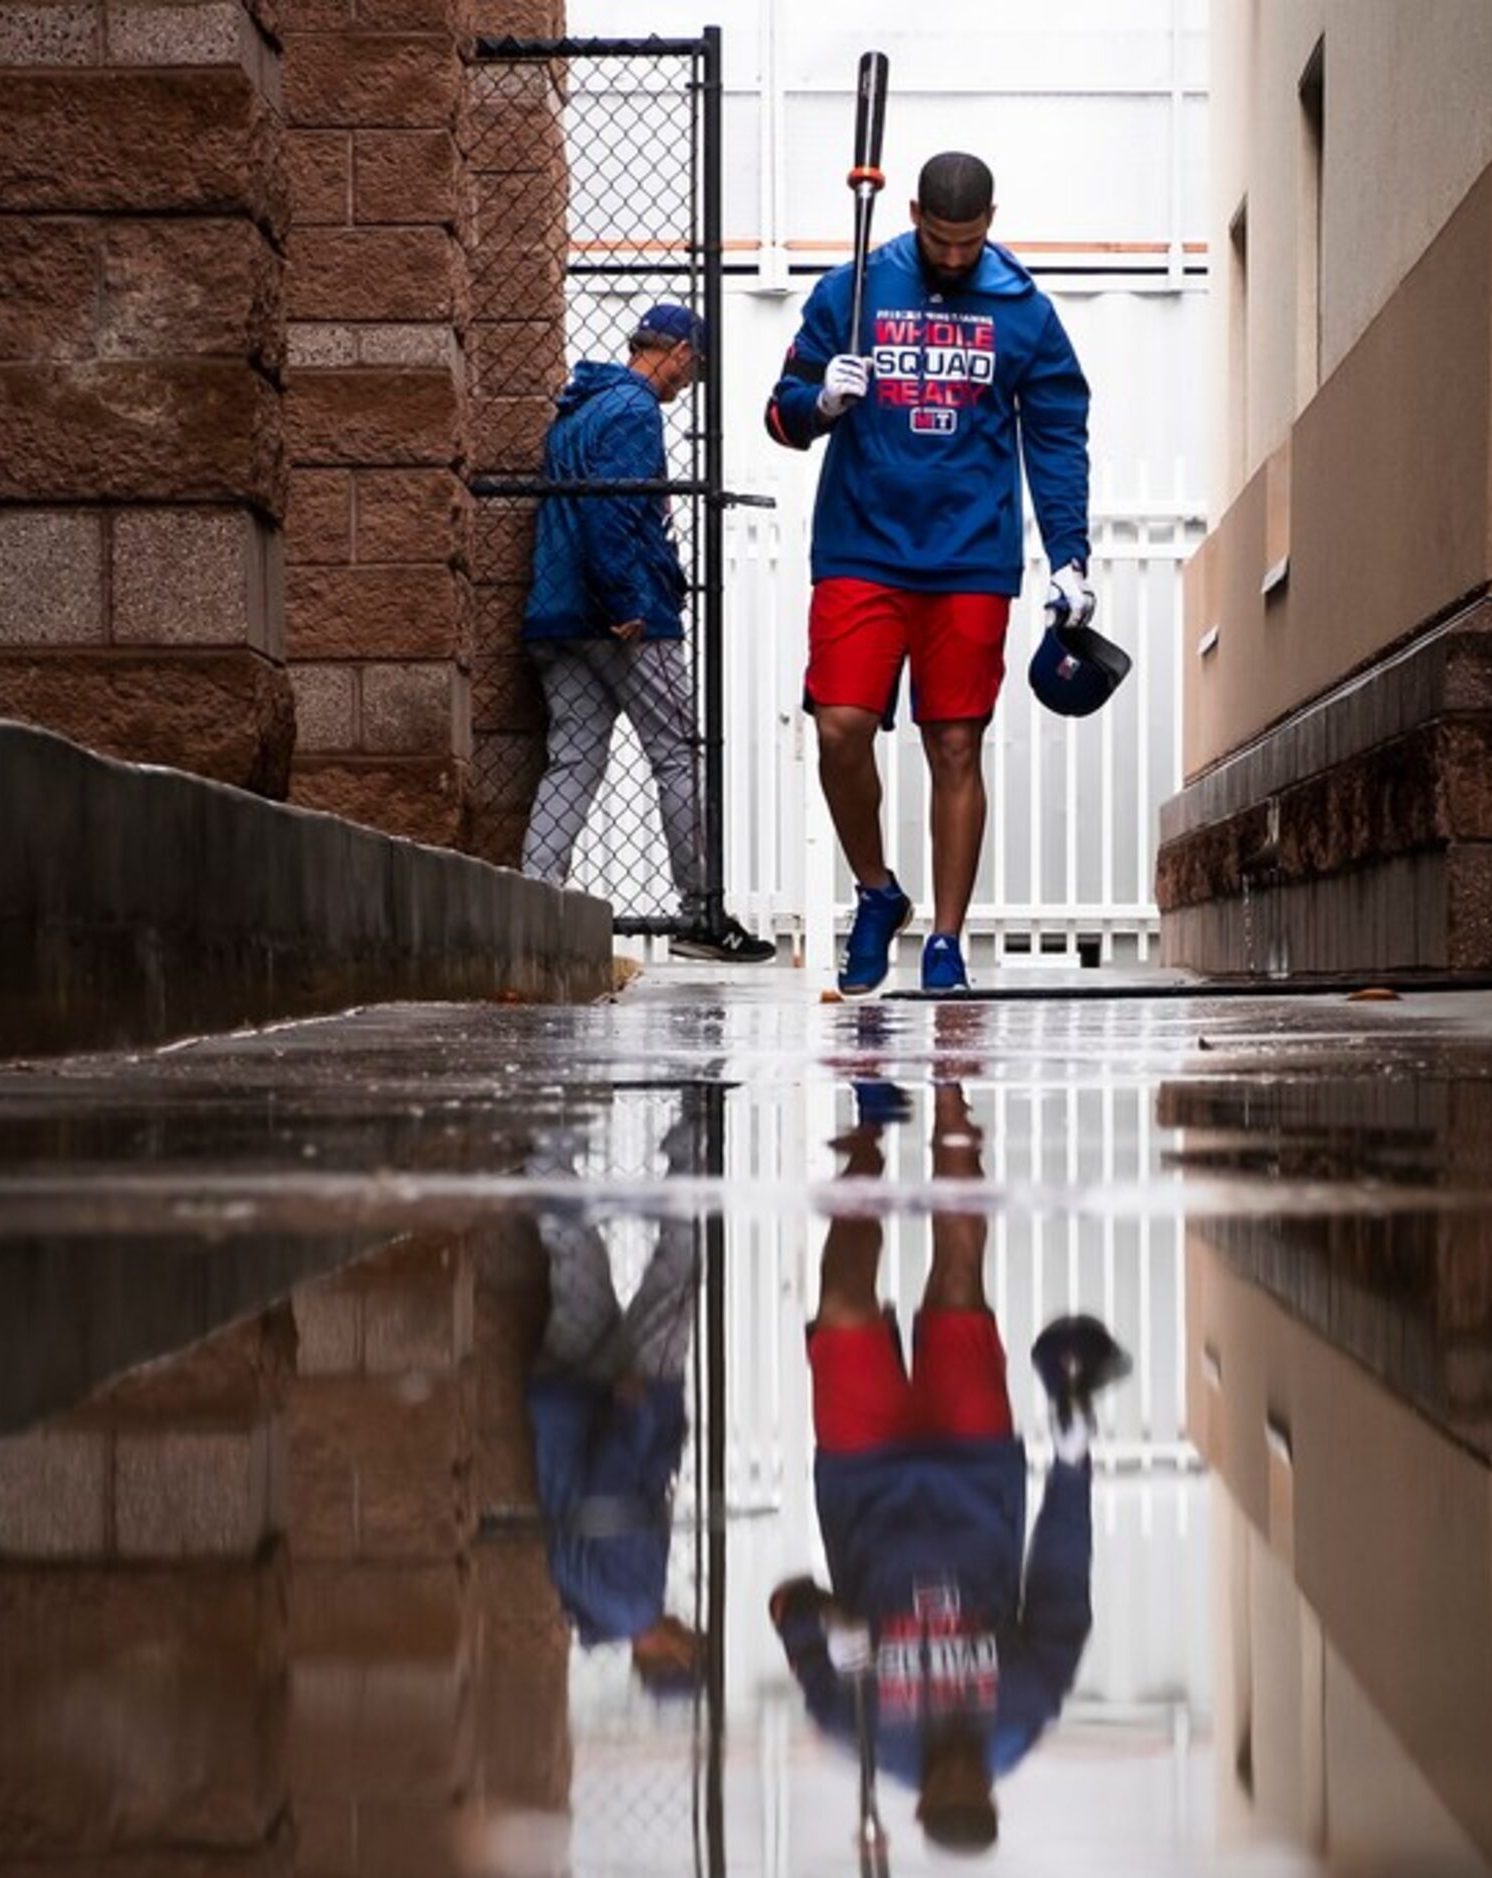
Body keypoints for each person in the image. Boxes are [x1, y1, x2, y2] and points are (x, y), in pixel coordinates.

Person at [768, 1080, 1131, 1855]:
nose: (960, 1766)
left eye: (946, 1783)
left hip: (862, 1477)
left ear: (923, 1800)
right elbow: (1063, 1582)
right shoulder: (1027, 1709)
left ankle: (866, 1143)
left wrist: (827, 1624)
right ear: (993, 1792)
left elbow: (784, 1608)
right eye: (976, 1779)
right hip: (975, 1470)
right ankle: (950, 1097)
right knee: (961, 1280)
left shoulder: (856, 1728)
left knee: (840, 1301)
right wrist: (1072, 1462)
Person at [765, 152, 1095, 995]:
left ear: (991, 221)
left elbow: (1056, 438)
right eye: (940, 240)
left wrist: (1070, 555)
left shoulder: (1024, 312)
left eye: (970, 241)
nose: (954, 257)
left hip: (969, 558)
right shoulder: (851, 293)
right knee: (839, 726)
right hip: (862, 548)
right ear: (912, 213)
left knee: (955, 743)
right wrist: (820, 403)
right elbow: (781, 412)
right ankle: (877, 892)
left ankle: (946, 942)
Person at [525, 302, 774, 964]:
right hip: (625, 622)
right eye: (691, 371)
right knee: (679, 753)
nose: (686, 385)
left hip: (558, 615)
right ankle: (701, 915)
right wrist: (628, 600)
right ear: (681, 354)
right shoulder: (634, 410)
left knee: (574, 758)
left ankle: (532, 907)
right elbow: (614, 512)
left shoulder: (579, 409)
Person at [523, 1110, 709, 1702]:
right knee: (575, 1262)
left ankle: (689, 1148)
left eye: (696, 1647)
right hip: (561, 1405)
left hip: (621, 1404)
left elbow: (612, 1501)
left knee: (679, 1275)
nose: (697, 1634)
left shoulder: (634, 1599)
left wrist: (632, 1419)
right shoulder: (590, 1610)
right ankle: (549, 1157)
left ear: (675, 1656)